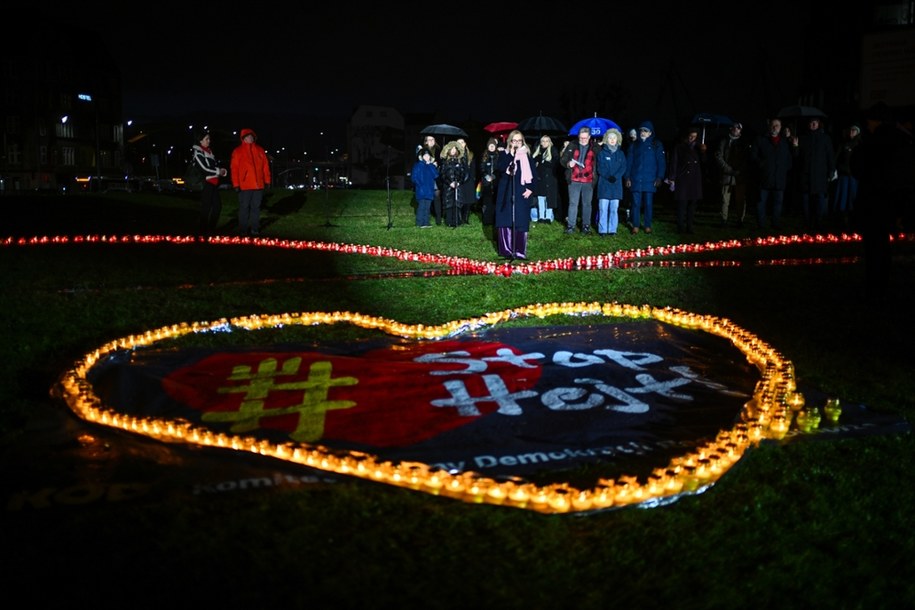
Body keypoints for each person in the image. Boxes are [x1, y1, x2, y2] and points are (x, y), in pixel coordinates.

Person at [850, 103, 915, 300]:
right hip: (889, 202)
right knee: (882, 247)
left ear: (875, 120)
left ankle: (874, 289)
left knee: (874, 248)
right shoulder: (900, 141)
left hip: (874, 202)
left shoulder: (873, 143)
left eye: (869, 120)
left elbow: (858, 168)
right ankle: (881, 287)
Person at [494, 129, 537, 258]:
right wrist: (510, 155)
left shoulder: (527, 156)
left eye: (519, 140)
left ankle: (519, 251)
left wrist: (530, 188)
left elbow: (534, 175)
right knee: (505, 219)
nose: (517, 143)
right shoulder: (505, 154)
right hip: (506, 191)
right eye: (514, 140)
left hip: (522, 192)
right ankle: (506, 250)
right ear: (510, 141)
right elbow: (500, 168)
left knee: (521, 219)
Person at [791, 117, 835, 232]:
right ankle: (807, 223)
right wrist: (795, 146)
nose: (813, 124)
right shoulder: (803, 138)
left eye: (815, 122)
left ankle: (819, 222)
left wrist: (831, 170)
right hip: (805, 174)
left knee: (820, 198)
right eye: (811, 122)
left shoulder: (825, 138)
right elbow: (797, 157)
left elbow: (830, 155)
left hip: (820, 174)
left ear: (819, 124)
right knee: (806, 200)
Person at [624, 120, 666, 234]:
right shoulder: (634, 145)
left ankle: (647, 225)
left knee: (648, 204)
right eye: (641, 130)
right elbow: (629, 162)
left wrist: (659, 177)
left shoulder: (656, 145)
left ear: (650, 133)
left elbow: (661, 162)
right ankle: (636, 225)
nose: (643, 133)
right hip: (636, 179)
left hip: (650, 179)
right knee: (636, 204)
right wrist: (627, 177)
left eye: (646, 131)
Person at [752, 118, 793, 230]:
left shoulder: (784, 142)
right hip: (764, 177)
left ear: (780, 128)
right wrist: (762, 165)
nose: (775, 127)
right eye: (773, 125)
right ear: (769, 126)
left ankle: (775, 223)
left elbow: (789, 158)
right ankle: (761, 224)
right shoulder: (761, 140)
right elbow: (753, 156)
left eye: (777, 125)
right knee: (761, 202)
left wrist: (784, 169)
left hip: (779, 178)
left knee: (778, 203)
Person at [230, 127, 271, 237]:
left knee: (256, 208)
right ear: (243, 138)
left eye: (251, 136)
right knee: (244, 208)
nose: (250, 138)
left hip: (258, 185)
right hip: (244, 185)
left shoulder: (260, 150)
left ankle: (255, 229)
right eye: (248, 136)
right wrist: (236, 184)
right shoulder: (238, 151)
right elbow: (234, 169)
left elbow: (265, 167)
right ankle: (243, 230)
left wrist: (267, 181)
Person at [667, 126, 706, 234]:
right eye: (690, 136)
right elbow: (674, 162)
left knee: (692, 205)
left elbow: (704, 163)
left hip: (695, 179)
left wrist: (703, 152)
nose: (692, 138)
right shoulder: (679, 147)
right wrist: (672, 177)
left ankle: (690, 226)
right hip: (683, 179)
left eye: (694, 136)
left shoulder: (699, 148)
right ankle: (680, 226)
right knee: (682, 204)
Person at [560, 126, 598, 235]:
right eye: (581, 138)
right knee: (573, 203)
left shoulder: (595, 147)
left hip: (589, 180)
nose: (583, 140)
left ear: (589, 137)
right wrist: (568, 164)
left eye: (585, 138)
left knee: (587, 204)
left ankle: (586, 226)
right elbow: (563, 160)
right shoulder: (572, 145)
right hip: (574, 179)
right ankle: (570, 226)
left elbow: (599, 163)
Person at [191, 131, 228, 236]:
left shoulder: (209, 151)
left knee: (217, 207)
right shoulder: (198, 152)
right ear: (200, 140)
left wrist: (221, 171)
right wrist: (218, 171)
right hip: (206, 183)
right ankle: (203, 232)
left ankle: (210, 230)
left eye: (209, 139)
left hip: (213, 184)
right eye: (206, 139)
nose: (209, 141)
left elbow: (212, 167)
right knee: (206, 208)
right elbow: (204, 169)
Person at [715, 121, 751, 227]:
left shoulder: (744, 142)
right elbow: (718, 157)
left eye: (738, 128)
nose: (736, 129)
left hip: (740, 176)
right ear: (731, 129)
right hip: (727, 175)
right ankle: (723, 219)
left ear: (741, 130)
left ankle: (740, 220)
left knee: (740, 199)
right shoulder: (724, 141)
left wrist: (739, 170)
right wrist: (729, 170)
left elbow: (747, 159)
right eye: (734, 127)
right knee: (724, 199)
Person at [594, 128, 627, 236]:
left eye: (614, 138)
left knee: (614, 209)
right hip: (604, 184)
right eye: (610, 138)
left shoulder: (621, 153)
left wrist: (616, 176)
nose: (612, 140)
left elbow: (623, 167)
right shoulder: (602, 153)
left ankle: (613, 229)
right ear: (606, 139)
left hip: (616, 185)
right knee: (603, 208)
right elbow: (600, 167)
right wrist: (608, 176)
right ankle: (602, 230)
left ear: (617, 139)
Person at [831, 123, 862, 228]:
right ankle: (840, 220)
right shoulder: (844, 144)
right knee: (842, 197)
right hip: (844, 174)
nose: (851, 132)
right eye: (850, 130)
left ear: (858, 132)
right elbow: (836, 157)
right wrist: (834, 169)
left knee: (852, 197)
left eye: (854, 130)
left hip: (854, 175)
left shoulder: (859, 144)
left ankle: (853, 220)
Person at [531, 135, 560, 223]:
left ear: (550, 142)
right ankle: (541, 217)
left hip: (550, 179)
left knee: (549, 198)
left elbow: (554, 164)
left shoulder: (553, 150)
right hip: (540, 179)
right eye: (543, 141)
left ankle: (548, 216)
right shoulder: (537, 151)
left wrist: (543, 162)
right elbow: (533, 163)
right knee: (540, 198)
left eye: (547, 141)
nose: (544, 143)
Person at [439, 140, 468, 228]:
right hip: (448, 186)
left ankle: (457, 221)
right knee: (449, 203)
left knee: (457, 203)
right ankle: (448, 221)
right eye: (451, 149)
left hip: (457, 185)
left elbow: (463, 174)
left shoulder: (460, 161)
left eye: (455, 149)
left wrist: (458, 182)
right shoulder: (445, 162)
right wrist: (449, 183)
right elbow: (442, 175)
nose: (453, 150)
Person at [411, 148, 439, 228]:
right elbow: (414, 177)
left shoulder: (431, 166)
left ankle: (426, 222)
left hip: (429, 190)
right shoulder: (418, 165)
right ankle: (419, 223)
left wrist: (431, 165)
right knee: (421, 207)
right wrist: (420, 184)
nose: (427, 157)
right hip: (421, 190)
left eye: (428, 156)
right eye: (425, 155)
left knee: (427, 207)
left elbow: (436, 175)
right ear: (422, 156)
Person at [421, 135, 443, 225]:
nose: (431, 141)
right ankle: (426, 217)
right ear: (426, 142)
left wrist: (438, 164)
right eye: (429, 140)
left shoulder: (439, 150)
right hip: (426, 178)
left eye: (433, 139)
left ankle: (438, 218)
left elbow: (442, 162)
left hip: (436, 177)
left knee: (437, 197)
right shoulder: (422, 151)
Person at [478, 138, 500, 226]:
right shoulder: (484, 156)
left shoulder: (498, 156)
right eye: (490, 145)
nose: (491, 147)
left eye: (493, 145)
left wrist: (494, 176)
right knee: (487, 201)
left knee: (495, 201)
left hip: (495, 183)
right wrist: (486, 176)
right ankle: (487, 220)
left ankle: (495, 219)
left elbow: (499, 168)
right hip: (486, 183)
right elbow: (481, 168)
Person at [456, 137, 477, 225]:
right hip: (460, 180)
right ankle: (459, 219)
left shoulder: (470, 155)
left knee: (468, 201)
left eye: (462, 142)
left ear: (465, 144)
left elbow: (473, 168)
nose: (461, 144)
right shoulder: (455, 154)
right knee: (460, 200)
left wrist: (472, 178)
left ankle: (466, 218)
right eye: (458, 143)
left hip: (469, 180)